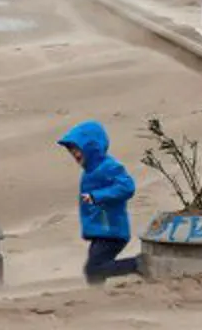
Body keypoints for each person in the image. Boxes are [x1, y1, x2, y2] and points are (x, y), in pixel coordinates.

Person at [58, 120, 141, 286]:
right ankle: (98, 298)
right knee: (94, 270)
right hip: (101, 230)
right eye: (71, 150)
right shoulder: (91, 171)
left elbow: (127, 187)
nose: (74, 154)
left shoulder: (108, 166)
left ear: (91, 147)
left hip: (111, 230)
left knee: (94, 269)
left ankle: (139, 265)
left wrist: (97, 196)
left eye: (77, 148)